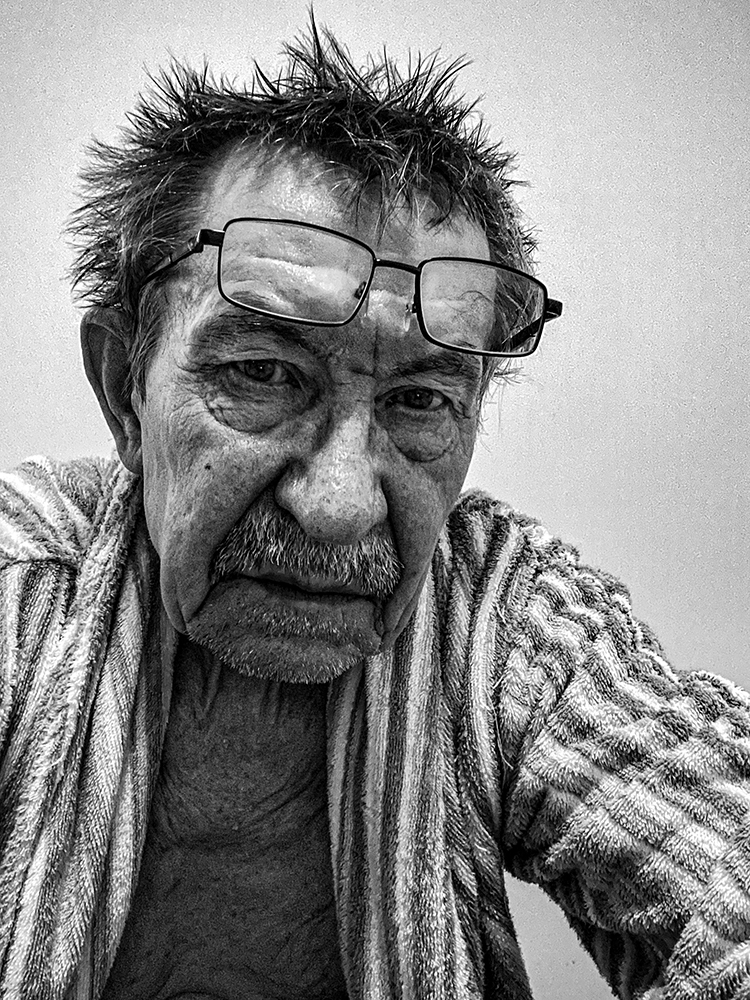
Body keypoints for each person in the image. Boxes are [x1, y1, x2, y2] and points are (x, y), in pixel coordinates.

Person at [1, 19, 748, 1000]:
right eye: (262, 372)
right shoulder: (23, 590)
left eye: (420, 400)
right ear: (122, 391)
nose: (340, 506)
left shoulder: (502, 622)